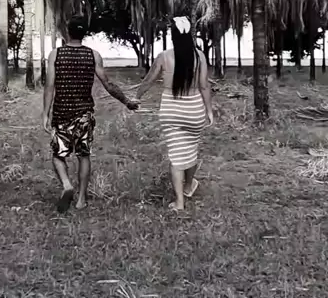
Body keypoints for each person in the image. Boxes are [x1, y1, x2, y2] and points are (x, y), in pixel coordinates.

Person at [43, 15, 139, 212]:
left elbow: (50, 86)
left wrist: (45, 113)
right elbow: (108, 84)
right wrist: (127, 102)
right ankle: (81, 200)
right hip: (84, 114)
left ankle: (67, 185)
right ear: (84, 33)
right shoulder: (93, 55)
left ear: (67, 32)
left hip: (61, 113)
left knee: (58, 155)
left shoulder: (55, 55)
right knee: (83, 155)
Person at [135, 16, 213, 211]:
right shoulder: (199, 56)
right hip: (194, 109)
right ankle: (189, 185)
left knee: (176, 156)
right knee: (191, 149)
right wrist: (209, 110)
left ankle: (179, 202)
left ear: (173, 36)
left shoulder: (164, 57)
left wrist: (136, 97)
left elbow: (148, 80)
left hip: (171, 110)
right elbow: (204, 86)